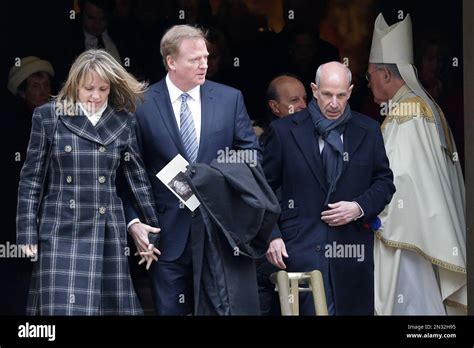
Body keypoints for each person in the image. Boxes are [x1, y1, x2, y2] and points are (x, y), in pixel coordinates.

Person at [122, 25, 260, 315]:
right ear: (171, 62)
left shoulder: (229, 98)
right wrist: (134, 223)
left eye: (206, 57)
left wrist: (214, 177)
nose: (204, 64)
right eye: (195, 59)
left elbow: (251, 156)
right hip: (165, 233)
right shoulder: (141, 103)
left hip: (218, 229)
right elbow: (127, 170)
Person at [16, 49, 160, 315]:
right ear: (75, 85)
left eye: (103, 89)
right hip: (59, 228)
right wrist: (26, 231)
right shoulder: (49, 116)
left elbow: (136, 180)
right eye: (88, 88)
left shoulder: (123, 121)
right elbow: (31, 178)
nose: (95, 96)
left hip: (105, 229)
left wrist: (151, 229)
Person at [263, 61, 395, 315]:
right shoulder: (283, 132)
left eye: (341, 95)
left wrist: (358, 207)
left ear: (351, 91)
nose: (334, 103)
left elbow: (384, 182)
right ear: (314, 90)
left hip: (352, 249)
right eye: (327, 94)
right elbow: (263, 188)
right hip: (300, 247)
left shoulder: (367, 130)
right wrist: (272, 235)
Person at [367, 14, 467, 315]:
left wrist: (366, 210)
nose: (367, 80)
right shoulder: (419, 107)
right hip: (419, 235)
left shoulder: (408, 114)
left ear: (386, 75)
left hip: (406, 239)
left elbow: (398, 183)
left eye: (370, 74)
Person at [256, 73, 307, 315]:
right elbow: (263, 188)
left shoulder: (314, 131)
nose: (303, 106)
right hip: (278, 243)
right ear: (275, 107)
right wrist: (272, 234)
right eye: (294, 100)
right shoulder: (277, 133)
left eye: (305, 99)